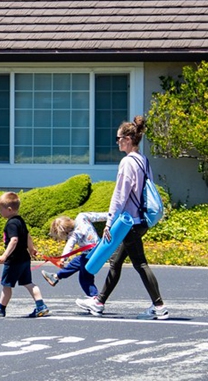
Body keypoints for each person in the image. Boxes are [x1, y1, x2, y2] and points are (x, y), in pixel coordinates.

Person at [76, 116, 169, 320]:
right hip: (140, 220)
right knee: (116, 262)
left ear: (128, 139)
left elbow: (120, 195)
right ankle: (99, 302)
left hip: (130, 223)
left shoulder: (127, 162)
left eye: (118, 138)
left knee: (140, 264)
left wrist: (110, 222)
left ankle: (159, 306)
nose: (117, 142)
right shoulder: (143, 160)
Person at [0, 192, 49, 318]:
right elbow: (27, 236)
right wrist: (31, 249)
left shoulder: (11, 223)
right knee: (28, 283)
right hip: (24, 259)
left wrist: (5, 255)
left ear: (9, 210)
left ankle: (0, 308)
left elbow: (14, 240)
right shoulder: (20, 221)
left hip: (13, 260)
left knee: (6, 285)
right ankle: (41, 305)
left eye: (1, 210)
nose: (0, 213)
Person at [41, 213, 103, 298]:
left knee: (85, 279)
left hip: (89, 255)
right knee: (76, 262)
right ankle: (56, 277)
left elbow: (69, 246)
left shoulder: (74, 234)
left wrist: (63, 259)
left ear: (66, 231)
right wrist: (112, 217)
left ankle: (94, 298)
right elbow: (97, 216)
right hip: (98, 249)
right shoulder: (82, 216)